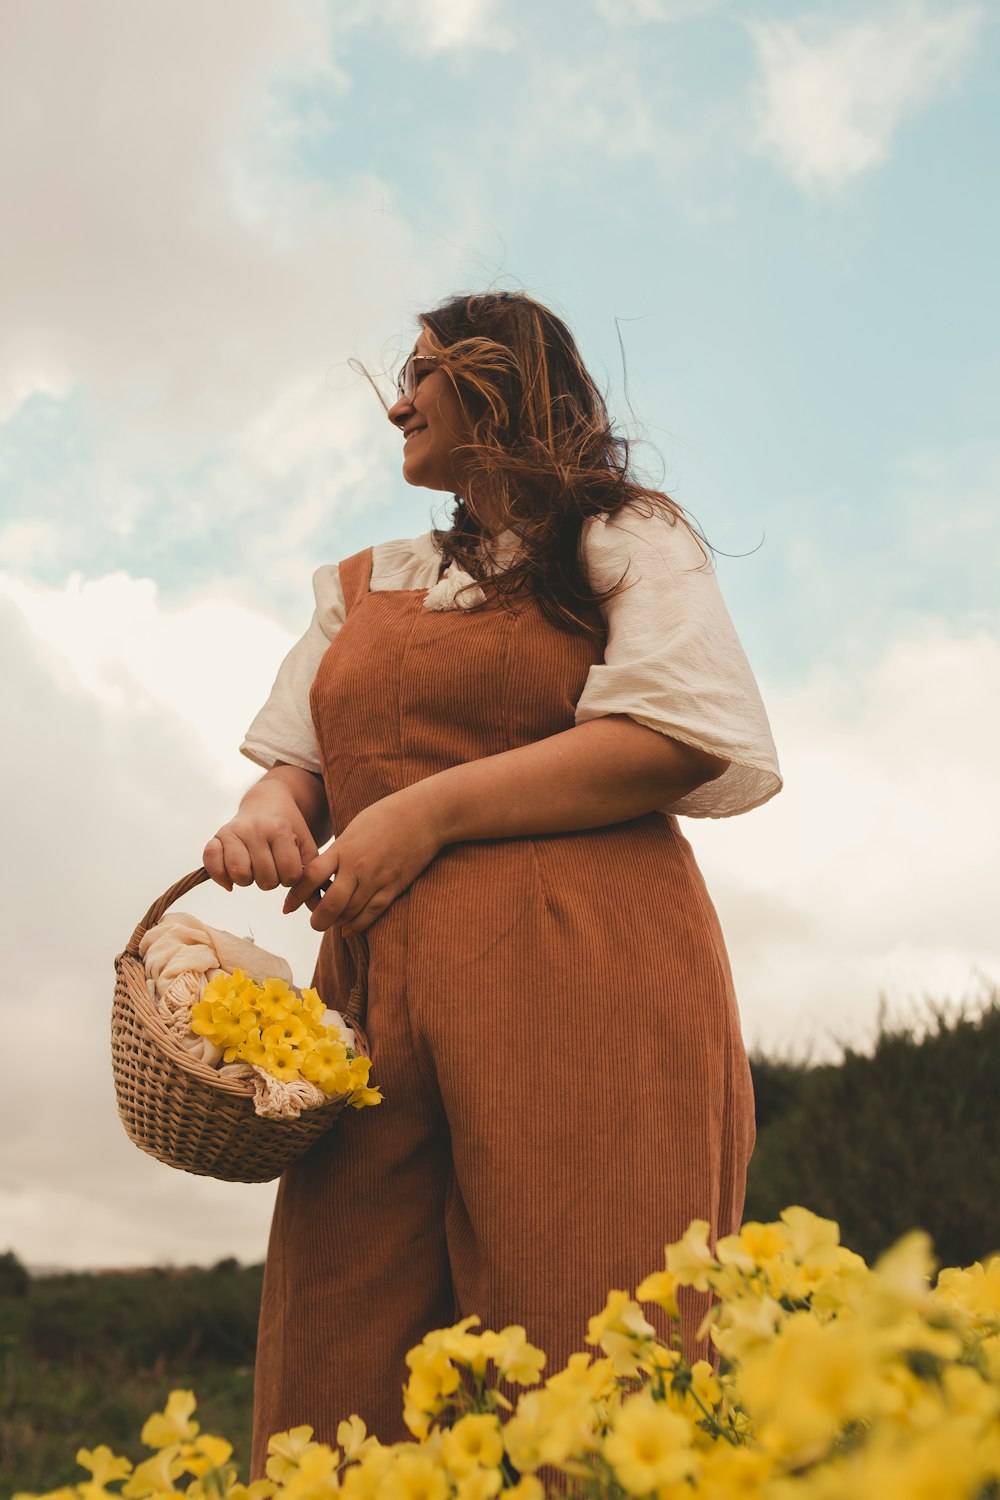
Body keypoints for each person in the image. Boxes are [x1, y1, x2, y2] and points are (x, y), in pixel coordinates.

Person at [203, 290, 781, 1467]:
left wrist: (421, 814)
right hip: (371, 1012)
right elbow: (292, 769)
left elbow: (675, 736)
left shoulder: (620, 534)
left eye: (421, 374)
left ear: (500, 381)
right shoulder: (365, 582)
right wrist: (264, 815)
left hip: (585, 981)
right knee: (338, 1360)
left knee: (587, 1347)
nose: (397, 404)